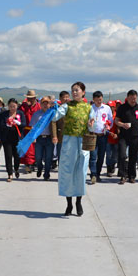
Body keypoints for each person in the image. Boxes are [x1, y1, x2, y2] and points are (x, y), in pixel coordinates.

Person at [53, 82, 93, 216]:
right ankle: (69, 203)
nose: (74, 92)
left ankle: (78, 201)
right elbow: (55, 116)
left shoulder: (88, 107)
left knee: (81, 173)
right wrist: (53, 106)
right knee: (67, 172)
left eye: (77, 90)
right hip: (69, 141)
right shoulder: (66, 106)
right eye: (73, 90)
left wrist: (91, 124)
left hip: (83, 143)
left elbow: (94, 125)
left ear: (83, 92)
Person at [114, 90, 138, 184]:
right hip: (123, 136)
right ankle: (122, 175)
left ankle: (131, 176)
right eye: (131, 98)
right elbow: (116, 120)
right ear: (127, 97)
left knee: (133, 157)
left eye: (134, 98)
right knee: (122, 155)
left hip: (136, 136)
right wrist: (122, 124)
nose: (133, 100)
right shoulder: (122, 107)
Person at [30, 96, 57, 180]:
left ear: (50, 104)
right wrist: (33, 137)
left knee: (48, 158)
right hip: (39, 138)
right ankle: (40, 167)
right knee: (38, 157)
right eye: (43, 103)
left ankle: (46, 174)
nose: (45, 105)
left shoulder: (52, 113)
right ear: (40, 104)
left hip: (49, 138)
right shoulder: (36, 114)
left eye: (47, 103)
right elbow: (32, 127)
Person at [0, 98, 25, 181]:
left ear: (17, 106)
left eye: (14, 106)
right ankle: (9, 173)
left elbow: (24, 124)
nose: (12, 108)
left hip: (17, 138)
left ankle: (16, 169)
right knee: (8, 156)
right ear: (8, 106)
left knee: (17, 156)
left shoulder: (20, 114)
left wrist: (17, 122)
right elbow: (0, 125)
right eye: (10, 106)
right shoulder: (4, 114)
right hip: (7, 138)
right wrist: (8, 124)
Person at [88, 90, 112, 183]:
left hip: (103, 135)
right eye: (97, 100)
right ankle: (93, 174)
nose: (99, 101)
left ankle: (98, 174)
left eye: (100, 99)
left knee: (101, 156)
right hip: (93, 135)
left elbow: (110, 120)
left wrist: (108, 126)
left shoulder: (107, 108)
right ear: (93, 99)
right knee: (93, 156)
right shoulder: (90, 108)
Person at [19, 89, 40, 173]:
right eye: (29, 98)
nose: (30, 100)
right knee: (28, 149)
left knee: (36, 148)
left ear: (35, 98)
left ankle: (34, 163)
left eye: (32, 98)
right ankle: (29, 165)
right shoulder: (23, 107)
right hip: (26, 131)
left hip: (37, 131)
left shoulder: (39, 106)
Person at [52, 90, 69, 171]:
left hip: (70, 136)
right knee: (60, 155)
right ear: (60, 98)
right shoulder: (57, 109)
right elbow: (53, 122)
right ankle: (61, 171)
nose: (66, 99)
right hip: (60, 136)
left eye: (67, 97)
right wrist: (54, 136)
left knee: (69, 156)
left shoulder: (71, 108)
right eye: (64, 97)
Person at [106, 100, 119, 175]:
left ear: (114, 107)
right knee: (108, 155)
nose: (110, 108)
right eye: (109, 106)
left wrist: (117, 134)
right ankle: (109, 169)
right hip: (108, 138)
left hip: (115, 138)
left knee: (114, 155)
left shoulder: (117, 116)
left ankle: (113, 166)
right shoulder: (105, 115)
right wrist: (109, 133)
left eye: (112, 107)